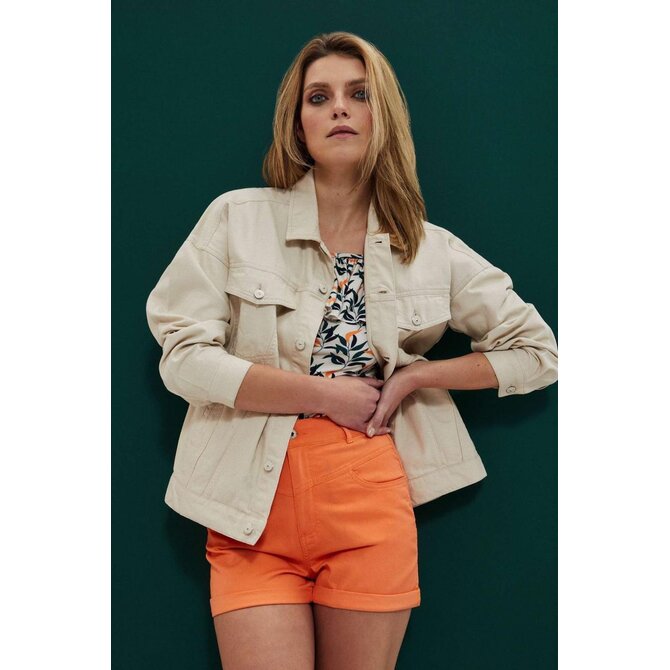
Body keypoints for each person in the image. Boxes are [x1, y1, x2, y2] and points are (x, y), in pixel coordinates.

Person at [146, 31, 558, 670]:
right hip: (247, 503)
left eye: (358, 94)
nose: (339, 107)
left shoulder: (429, 249)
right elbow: (182, 358)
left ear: (381, 114)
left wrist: (416, 377)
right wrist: (322, 394)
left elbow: (538, 352)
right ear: (298, 123)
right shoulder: (235, 219)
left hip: (369, 497)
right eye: (319, 97)